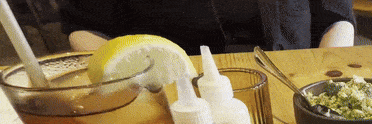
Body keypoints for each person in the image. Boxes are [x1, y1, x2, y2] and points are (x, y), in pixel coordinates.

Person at [60, 0, 356, 53]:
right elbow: (85, 27)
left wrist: (325, 75)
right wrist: (128, 75)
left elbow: (336, 16)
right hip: (169, 93)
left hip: (290, 82)